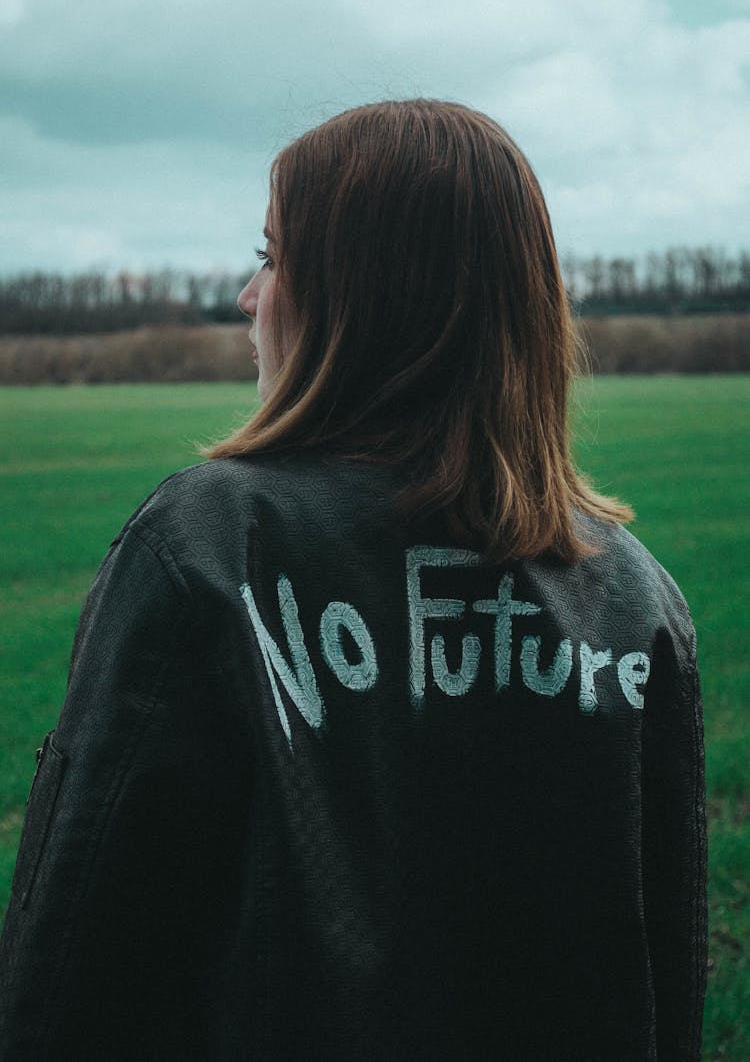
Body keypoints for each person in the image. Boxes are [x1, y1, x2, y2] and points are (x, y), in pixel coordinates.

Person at [0, 100, 706, 1061]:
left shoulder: (207, 543)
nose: (250, 299)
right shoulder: (637, 594)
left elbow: (75, 949)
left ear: (362, 290)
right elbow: (667, 968)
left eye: (272, 256)